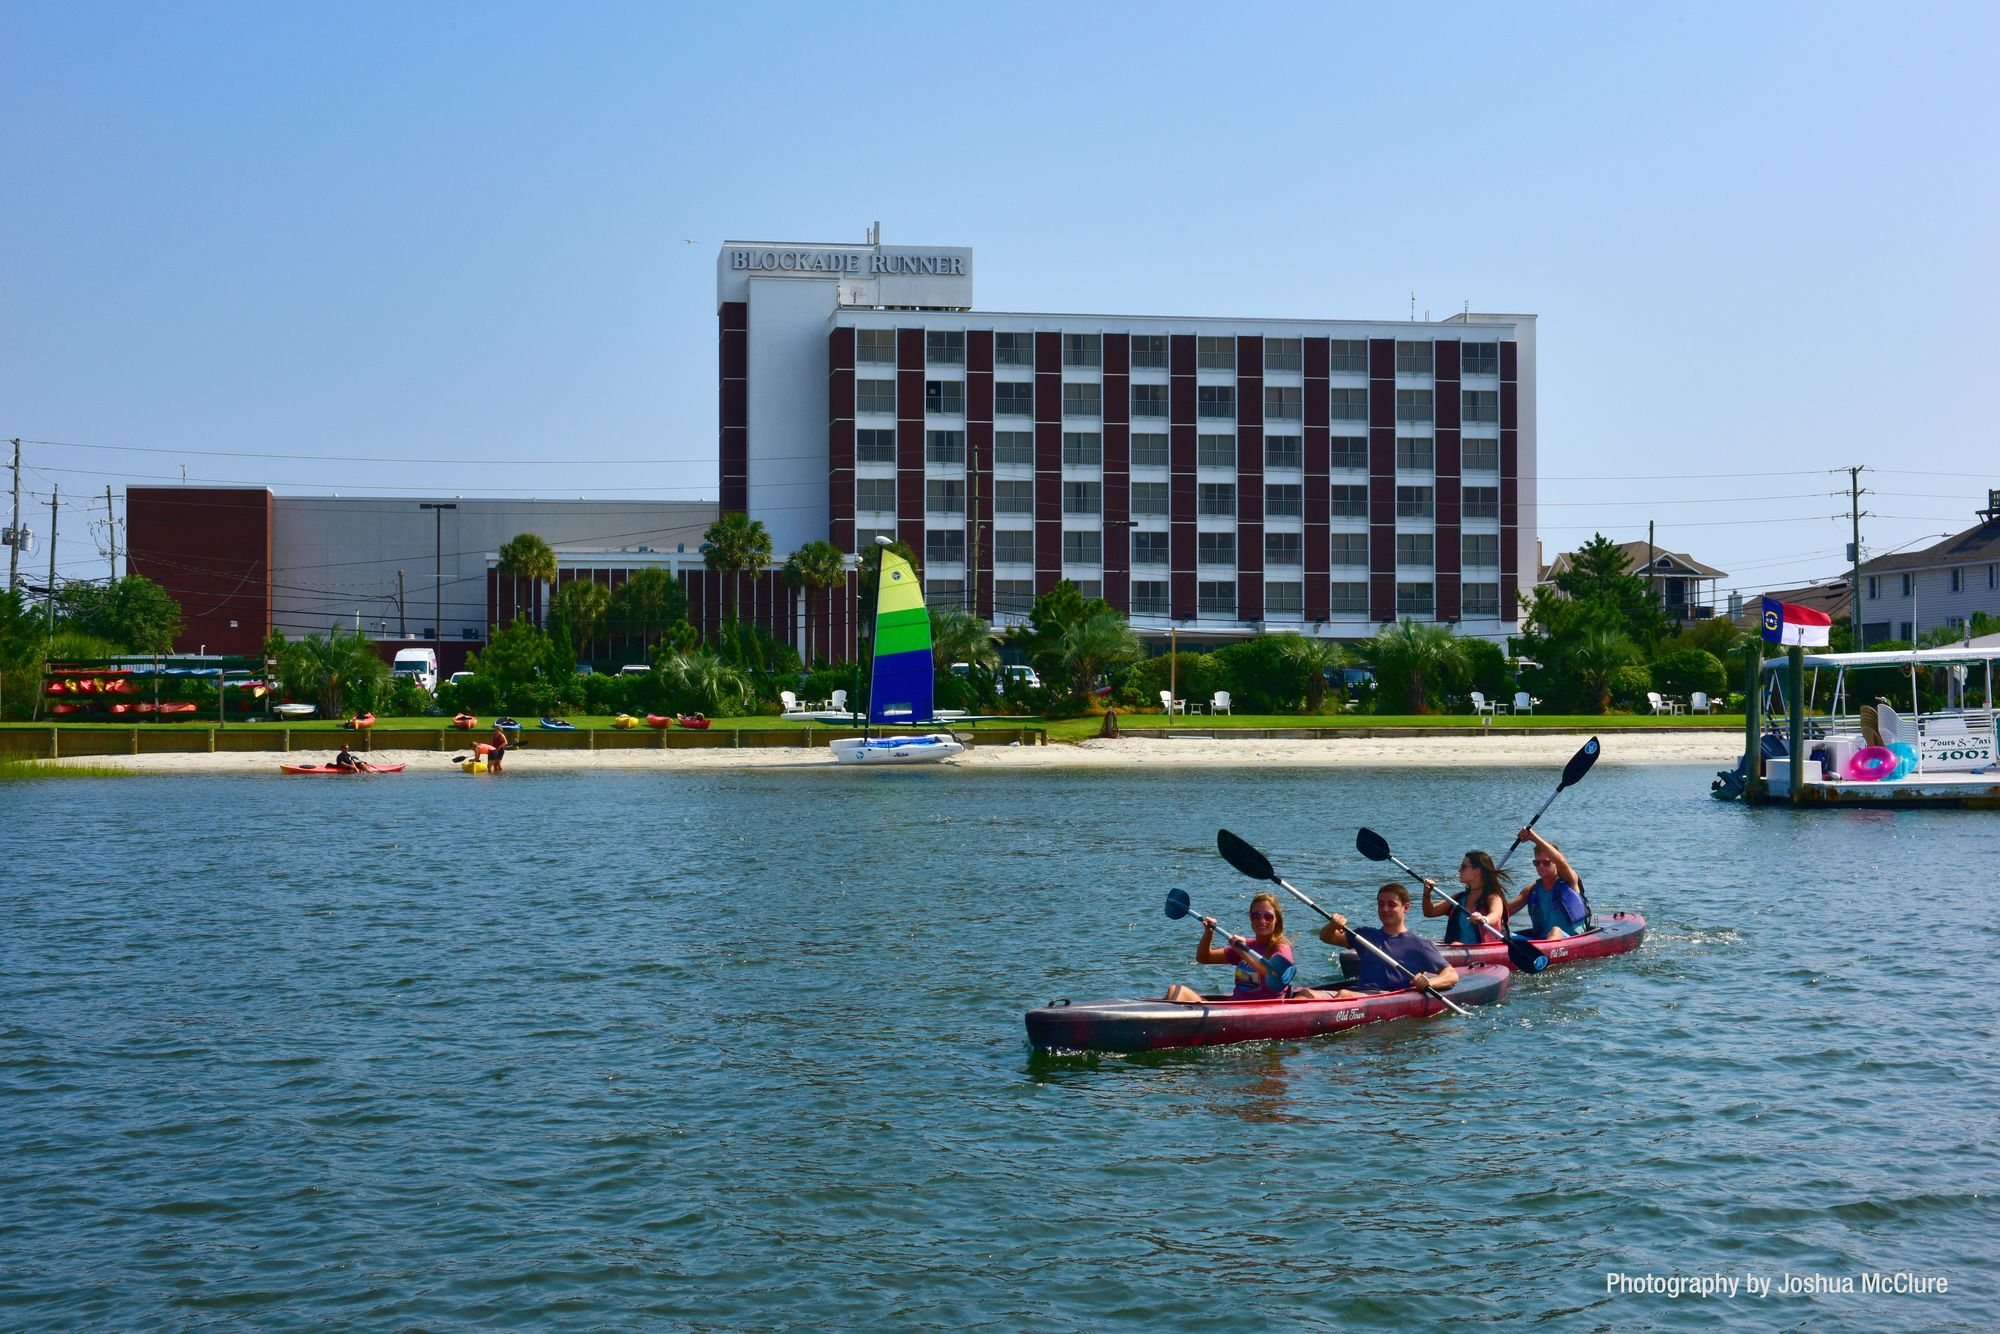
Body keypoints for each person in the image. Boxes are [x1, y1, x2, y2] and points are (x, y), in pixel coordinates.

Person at [1295, 883, 1458, 999]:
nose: (1385, 909)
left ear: (1406, 908)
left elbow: (1451, 975)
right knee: (1304, 995)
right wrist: (1332, 925)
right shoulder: (1365, 935)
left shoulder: (1419, 944)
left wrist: (1429, 982)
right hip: (1357, 992)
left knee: (1344, 994)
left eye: (1391, 905)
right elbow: (1327, 937)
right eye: (1381, 904)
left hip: (1384, 997)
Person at [1164, 892, 1294, 1003]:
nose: (1262, 921)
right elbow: (1204, 958)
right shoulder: (1247, 945)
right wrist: (1208, 933)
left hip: (1260, 1012)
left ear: (1277, 920)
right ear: (1250, 918)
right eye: (1256, 916)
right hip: (1233, 1008)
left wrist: (1242, 953)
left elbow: (1276, 973)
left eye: (1268, 916)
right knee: (1175, 990)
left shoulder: (1281, 947)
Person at [1502, 827, 1590, 939]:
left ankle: (1546, 953)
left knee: (1555, 930)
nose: (1541, 866)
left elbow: (1561, 862)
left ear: (1555, 863)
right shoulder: (1531, 890)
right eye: (1537, 863)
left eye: (1546, 863)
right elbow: (1504, 912)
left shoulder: (1569, 880)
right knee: (1504, 934)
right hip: (1541, 942)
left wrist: (1532, 837)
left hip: (1568, 939)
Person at [1420, 850, 1511, 946]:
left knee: (1455, 944)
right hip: (1457, 949)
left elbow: (1495, 916)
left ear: (1477, 871)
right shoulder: (1459, 898)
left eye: (1463, 867)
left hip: (1483, 951)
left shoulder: (1493, 897)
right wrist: (1427, 894)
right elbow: (1429, 912)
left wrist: (1484, 919)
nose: (1459, 870)